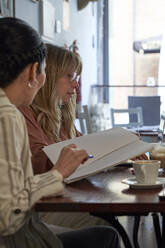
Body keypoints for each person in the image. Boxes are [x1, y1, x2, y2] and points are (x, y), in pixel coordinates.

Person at [0, 17, 121, 248]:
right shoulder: (8, 115)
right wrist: (57, 173)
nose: (76, 85)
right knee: (107, 234)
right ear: (34, 71)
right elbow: (8, 216)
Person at [19, 44, 110, 228]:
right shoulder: (22, 111)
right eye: (70, 76)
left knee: (107, 219)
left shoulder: (61, 114)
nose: (76, 84)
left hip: (61, 198)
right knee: (105, 226)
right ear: (49, 77)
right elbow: (38, 162)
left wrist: (123, 149)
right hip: (37, 208)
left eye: (76, 77)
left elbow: (84, 149)